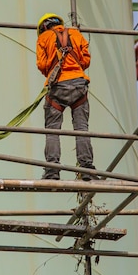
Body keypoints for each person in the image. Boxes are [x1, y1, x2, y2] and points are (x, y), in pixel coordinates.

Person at [36, 13, 98, 181]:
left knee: (52, 130)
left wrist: (52, 68)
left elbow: (42, 65)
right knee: (81, 128)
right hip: (79, 85)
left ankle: (52, 170)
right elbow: (85, 60)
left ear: (43, 27)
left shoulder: (43, 38)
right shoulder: (75, 33)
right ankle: (86, 169)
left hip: (58, 87)